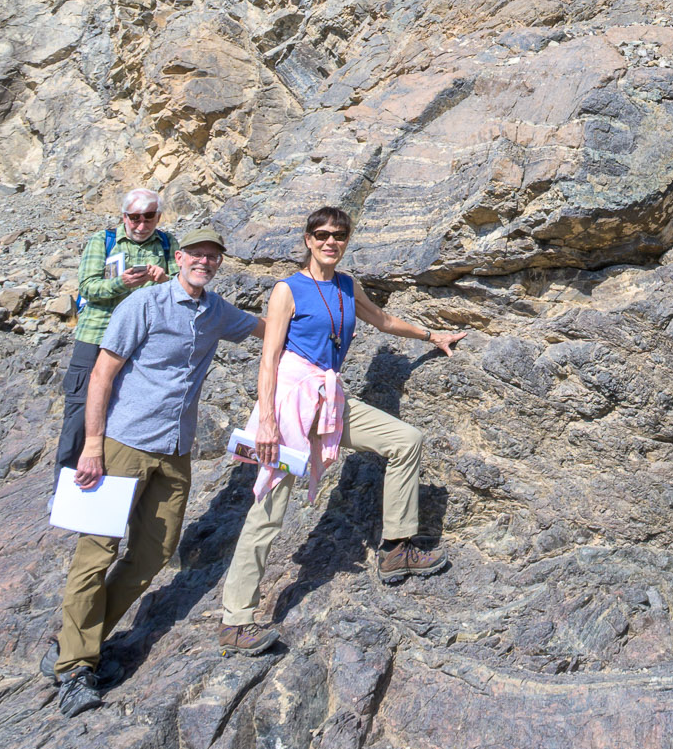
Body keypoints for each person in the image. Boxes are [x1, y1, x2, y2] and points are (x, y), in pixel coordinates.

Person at [216, 206, 466, 655]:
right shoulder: (286, 291)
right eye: (322, 234)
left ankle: (395, 549)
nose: (331, 241)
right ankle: (236, 622)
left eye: (339, 235)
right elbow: (269, 358)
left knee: (405, 440)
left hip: (330, 399)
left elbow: (383, 321)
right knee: (268, 508)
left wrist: (432, 337)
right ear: (308, 239)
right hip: (292, 403)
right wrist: (269, 422)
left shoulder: (348, 286)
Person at [45, 227, 262, 717]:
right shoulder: (142, 304)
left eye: (213, 257)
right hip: (122, 443)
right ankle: (76, 667)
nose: (204, 263)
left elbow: (264, 327)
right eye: (197, 255)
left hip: (174, 449)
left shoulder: (215, 311)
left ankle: (76, 641)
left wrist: (320, 317)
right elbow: (102, 373)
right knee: (95, 555)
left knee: (154, 554)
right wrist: (92, 446)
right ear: (179, 257)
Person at [55, 188, 173, 468]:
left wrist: (165, 279)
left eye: (149, 218)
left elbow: (182, 289)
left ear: (158, 216)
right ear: (124, 217)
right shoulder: (102, 241)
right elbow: (87, 287)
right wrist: (122, 283)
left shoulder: (168, 244)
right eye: (135, 218)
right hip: (96, 337)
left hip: (142, 342)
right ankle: (64, 488)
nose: (142, 225)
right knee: (79, 411)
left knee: (126, 412)